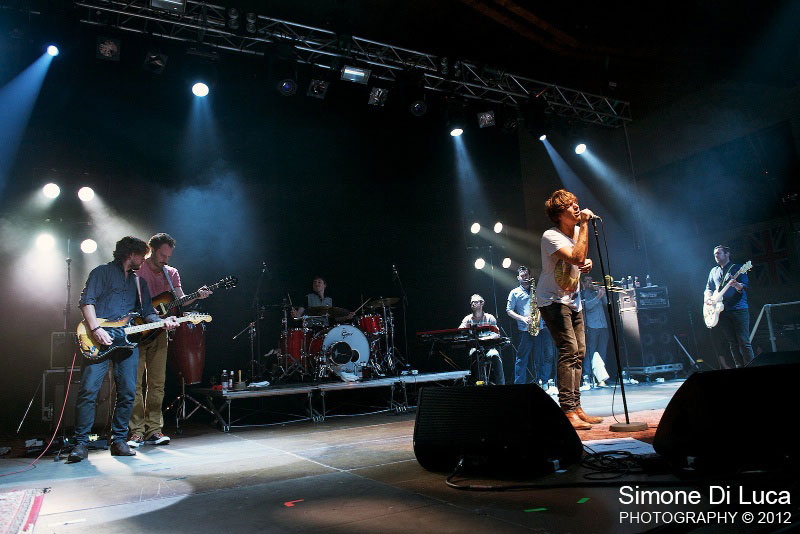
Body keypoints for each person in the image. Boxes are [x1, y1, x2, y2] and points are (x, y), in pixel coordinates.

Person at [69, 236, 179, 463]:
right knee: (89, 391)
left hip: (127, 342)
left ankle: (119, 440)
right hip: (99, 339)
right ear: (131, 255)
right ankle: (80, 444)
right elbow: (86, 302)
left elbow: (147, 312)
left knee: (128, 392)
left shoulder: (139, 282)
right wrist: (96, 329)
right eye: (142, 256)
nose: (144, 260)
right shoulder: (101, 272)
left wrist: (163, 322)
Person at [128, 233, 212, 448]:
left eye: (168, 256)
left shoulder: (171, 272)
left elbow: (181, 301)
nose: (166, 260)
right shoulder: (137, 269)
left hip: (160, 333)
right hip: (136, 332)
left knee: (157, 384)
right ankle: (136, 432)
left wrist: (197, 295)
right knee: (134, 385)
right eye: (162, 256)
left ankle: (154, 430)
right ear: (152, 251)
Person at [536, 189, 603, 430]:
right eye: (570, 205)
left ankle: (577, 406)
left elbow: (581, 259)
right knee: (569, 350)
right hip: (552, 300)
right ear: (558, 214)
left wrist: (588, 262)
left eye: (577, 203)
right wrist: (584, 224)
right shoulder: (550, 236)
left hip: (573, 299)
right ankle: (567, 410)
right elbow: (575, 257)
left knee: (580, 351)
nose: (576, 207)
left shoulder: (576, 231)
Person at [705, 245, 754, 368]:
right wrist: (708, 298)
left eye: (718, 253)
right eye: (715, 254)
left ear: (727, 254)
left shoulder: (738, 269)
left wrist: (736, 285)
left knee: (744, 341)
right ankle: (739, 366)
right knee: (732, 343)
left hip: (738, 309)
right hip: (722, 311)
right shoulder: (713, 271)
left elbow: (744, 286)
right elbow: (708, 288)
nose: (716, 256)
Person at [459, 294, 505, 385]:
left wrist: (484, 339)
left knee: (495, 356)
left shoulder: (490, 318)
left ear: (482, 303)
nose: (473, 304)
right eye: (471, 302)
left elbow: (496, 334)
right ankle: (479, 384)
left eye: (475, 302)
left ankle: (501, 385)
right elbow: (460, 331)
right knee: (474, 356)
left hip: (489, 348)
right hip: (475, 348)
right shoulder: (467, 319)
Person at [506, 266, 536, 384]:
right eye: (522, 276)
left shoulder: (536, 289)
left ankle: (543, 382)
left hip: (540, 327)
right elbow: (509, 310)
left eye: (526, 275)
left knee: (542, 356)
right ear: (518, 278)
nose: (524, 278)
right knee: (522, 358)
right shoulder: (514, 292)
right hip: (525, 329)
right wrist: (522, 318)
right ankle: (519, 385)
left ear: (530, 276)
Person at [581, 276, 609, 386]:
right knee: (590, 352)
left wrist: (603, 293)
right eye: (587, 281)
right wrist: (598, 296)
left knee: (602, 352)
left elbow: (607, 303)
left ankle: (601, 378)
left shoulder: (596, 292)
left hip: (603, 326)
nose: (590, 283)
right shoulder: (583, 294)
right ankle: (587, 377)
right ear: (583, 283)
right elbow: (587, 307)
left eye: (591, 280)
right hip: (592, 326)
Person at [531, 317, 556, 390]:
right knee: (538, 356)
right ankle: (539, 380)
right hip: (537, 327)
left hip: (549, 327)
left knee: (549, 355)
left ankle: (545, 380)